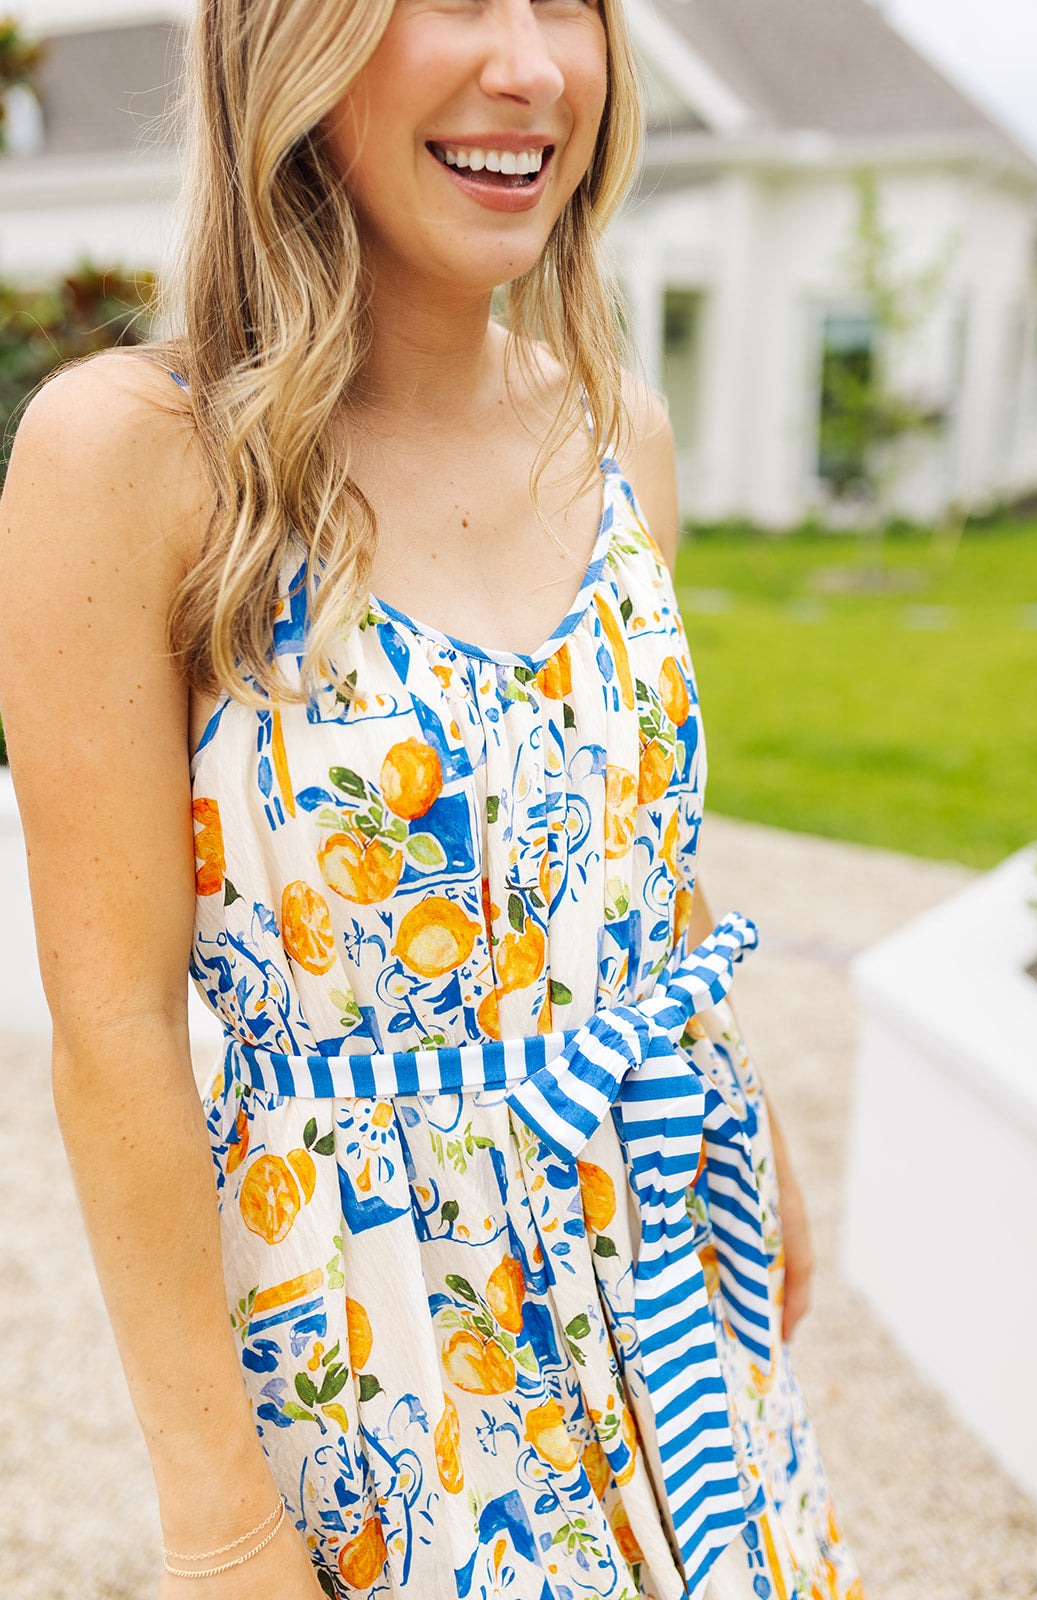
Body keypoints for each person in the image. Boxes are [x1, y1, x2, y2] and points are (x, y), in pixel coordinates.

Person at [0, 1, 864, 1596]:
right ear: (291, 43)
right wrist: (220, 1522)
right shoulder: (137, 459)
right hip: (384, 1356)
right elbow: (111, 1020)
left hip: (670, 1269)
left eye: (566, 4)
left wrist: (755, 1127)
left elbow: (629, 855)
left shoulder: (618, 431)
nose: (529, 67)